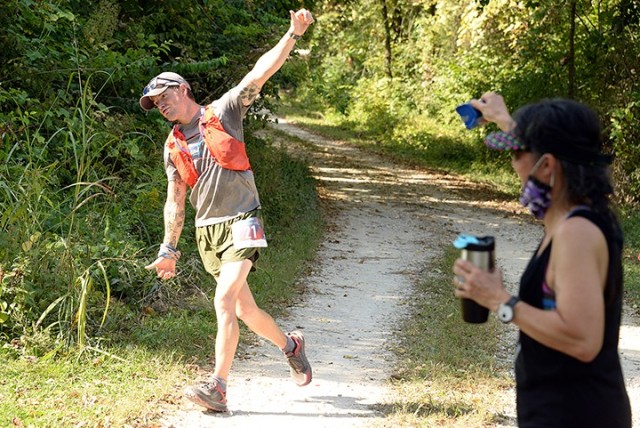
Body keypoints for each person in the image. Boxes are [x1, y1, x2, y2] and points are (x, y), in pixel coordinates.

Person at [140, 9, 315, 413]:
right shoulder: (173, 147)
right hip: (207, 232)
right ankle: (291, 345)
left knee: (222, 302)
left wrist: (293, 32)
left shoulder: (223, 111)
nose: (161, 106)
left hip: (244, 220)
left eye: (164, 97)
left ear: (182, 89)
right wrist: (169, 249)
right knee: (244, 309)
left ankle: (217, 388)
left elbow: (259, 73)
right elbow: (175, 200)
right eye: (154, 104)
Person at [452, 92, 632, 427]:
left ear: (547, 165)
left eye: (517, 153)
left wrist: (500, 300)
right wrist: (505, 120)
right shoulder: (577, 218)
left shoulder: (575, 233)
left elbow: (582, 340)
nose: (512, 163)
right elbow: (541, 146)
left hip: (576, 415)